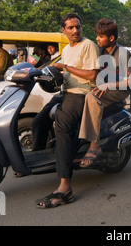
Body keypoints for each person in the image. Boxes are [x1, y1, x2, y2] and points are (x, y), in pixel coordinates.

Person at [35, 13, 100, 209]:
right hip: (65, 92)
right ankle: (39, 160)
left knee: (61, 127)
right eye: (70, 28)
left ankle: (65, 188)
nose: (75, 30)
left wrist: (66, 67)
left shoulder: (88, 45)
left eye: (77, 27)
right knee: (39, 120)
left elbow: (91, 74)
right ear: (63, 30)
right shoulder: (66, 49)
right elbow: (59, 69)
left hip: (81, 94)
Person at [78, 18, 131, 168]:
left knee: (92, 97)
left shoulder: (123, 53)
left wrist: (109, 85)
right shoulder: (98, 51)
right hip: (103, 87)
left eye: (100, 36)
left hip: (119, 90)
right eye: (96, 35)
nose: (97, 39)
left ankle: (94, 145)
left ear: (111, 38)